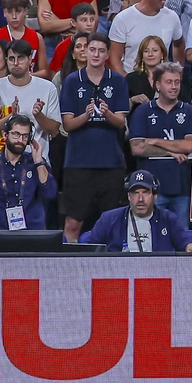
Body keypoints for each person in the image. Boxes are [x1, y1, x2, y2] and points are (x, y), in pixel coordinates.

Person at [60, 33, 130, 241]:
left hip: (111, 163)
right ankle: (68, 267)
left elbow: (121, 123)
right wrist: (87, 115)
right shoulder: (73, 81)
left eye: (101, 51)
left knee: (111, 222)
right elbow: (68, 124)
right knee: (73, 221)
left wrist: (106, 113)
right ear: (85, 51)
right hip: (78, 163)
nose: (96, 54)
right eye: (92, 50)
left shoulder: (117, 81)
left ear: (108, 53)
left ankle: (111, 268)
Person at [129, 61, 192, 225]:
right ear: (158, 85)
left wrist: (154, 141)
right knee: (150, 237)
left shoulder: (190, 112)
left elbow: (188, 146)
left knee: (181, 237)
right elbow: (137, 148)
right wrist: (170, 151)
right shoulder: (143, 111)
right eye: (169, 82)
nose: (174, 86)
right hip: (150, 188)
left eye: (177, 82)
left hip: (182, 186)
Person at [0, 113, 57, 248]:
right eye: (16, 134)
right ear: (5, 135)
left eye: (25, 136)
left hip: (33, 236)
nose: (20, 140)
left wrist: (39, 162)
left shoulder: (37, 164)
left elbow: (50, 193)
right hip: (0, 235)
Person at [80, 168, 192, 251]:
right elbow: (89, 250)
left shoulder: (168, 219)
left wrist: (190, 246)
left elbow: (184, 241)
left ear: (155, 195)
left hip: (157, 278)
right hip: (119, 279)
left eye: (145, 193)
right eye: (135, 193)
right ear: (129, 196)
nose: (140, 199)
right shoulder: (109, 219)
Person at [0, 39, 63, 163]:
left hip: (37, 161)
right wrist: (11, 116)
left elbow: (54, 130)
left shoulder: (47, 88)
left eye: (20, 58)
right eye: (11, 58)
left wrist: (38, 115)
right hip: (2, 162)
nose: (15, 63)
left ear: (30, 59)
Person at [109, 0, 184, 72]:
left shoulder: (172, 17)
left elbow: (179, 44)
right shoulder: (123, 19)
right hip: (132, 80)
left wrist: (178, 72)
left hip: (163, 83)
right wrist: (127, 82)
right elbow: (114, 59)